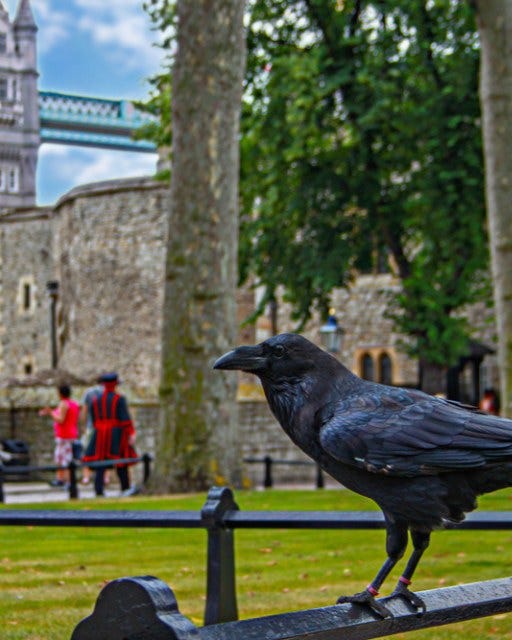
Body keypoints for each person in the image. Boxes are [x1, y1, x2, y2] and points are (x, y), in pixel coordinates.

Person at [82, 372, 137, 496]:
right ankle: (125, 487)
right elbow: (125, 419)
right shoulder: (119, 399)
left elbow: (94, 418)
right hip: (116, 433)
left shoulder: (95, 400)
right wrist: (131, 433)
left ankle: (98, 489)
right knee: (121, 461)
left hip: (100, 433)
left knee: (101, 462)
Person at [39, 384, 80, 487]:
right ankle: (62, 479)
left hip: (64, 435)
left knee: (63, 458)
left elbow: (60, 419)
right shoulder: (74, 404)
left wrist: (51, 413)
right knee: (65, 457)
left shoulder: (63, 404)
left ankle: (65, 480)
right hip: (71, 434)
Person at [80, 381, 110, 486]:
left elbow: (84, 410)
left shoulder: (89, 392)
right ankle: (106, 478)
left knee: (86, 451)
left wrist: (83, 426)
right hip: (105, 428)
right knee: (105, 452)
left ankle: (86, 477)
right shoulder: (108, 392)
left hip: (91, 426)